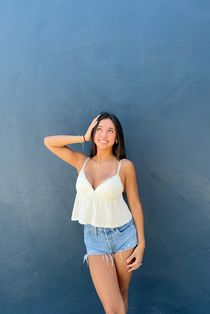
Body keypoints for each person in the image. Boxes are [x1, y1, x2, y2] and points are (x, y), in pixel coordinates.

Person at [44, 111, 145, 314]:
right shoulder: (82, 162)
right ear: (93, 133)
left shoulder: (124, 166)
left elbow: (135, 203)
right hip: (95, 239)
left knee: (122, 296)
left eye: (110, 131)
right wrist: (82, 137)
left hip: (124, 236)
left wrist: (141, 244)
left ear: (117, 137)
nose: (104, 135)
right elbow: (49, 142)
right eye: (99, 129)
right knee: (113, 308)